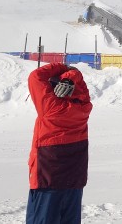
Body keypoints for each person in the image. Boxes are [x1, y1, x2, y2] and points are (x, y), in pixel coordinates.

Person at [27, 63, 93, 224]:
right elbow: (83, 91)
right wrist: (73, 75)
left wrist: (62, 66)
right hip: (75, 178)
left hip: (48, 177)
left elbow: (35, 76)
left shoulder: (50, 107)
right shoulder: (84, 107)